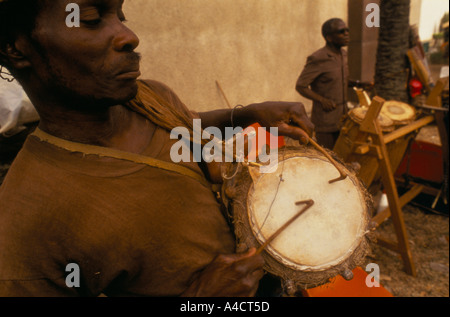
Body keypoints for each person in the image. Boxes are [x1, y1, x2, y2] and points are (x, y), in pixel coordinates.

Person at [0, 0, 314, 297]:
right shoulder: (25, 225)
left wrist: (248, 115)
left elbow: (186, 128)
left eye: (120, 16)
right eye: (92, 19)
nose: (129, 36)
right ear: (17, 48)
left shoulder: (150, 97)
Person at [295, 18, 350, 150]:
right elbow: (301, 86)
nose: (347, 34)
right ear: (329, 37)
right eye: (341, 32)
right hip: (326, 120)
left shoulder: (343, 54)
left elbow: (338, 80)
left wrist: (358, 84)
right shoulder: (318, 58)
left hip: (343, 117)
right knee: (328, 158)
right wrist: (322, 100)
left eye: (347, 30)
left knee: (342, 156)